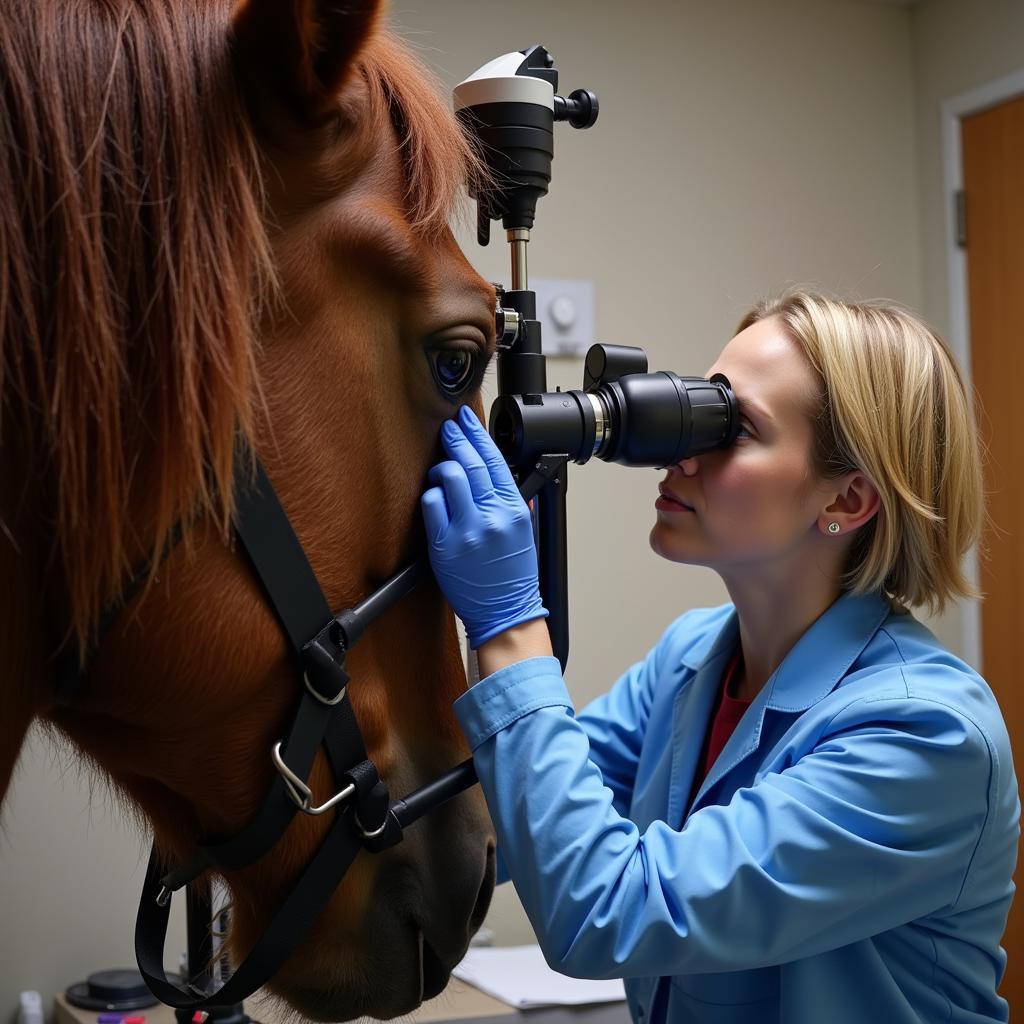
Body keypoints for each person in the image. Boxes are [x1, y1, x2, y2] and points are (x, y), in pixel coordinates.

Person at [420, 291, 1019, 1024]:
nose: (683, 449)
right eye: (702, 404)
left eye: (733, 428)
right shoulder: (692, 662)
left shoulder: (928, 736)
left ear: (850, 498)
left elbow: (609, 913)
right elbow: (499, 830)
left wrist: (511, 623)